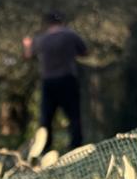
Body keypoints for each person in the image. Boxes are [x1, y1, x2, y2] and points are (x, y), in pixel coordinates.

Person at [23, 11, 88, 150]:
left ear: (47, 24)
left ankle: (45, 148)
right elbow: (84, 52)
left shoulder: (41, 39)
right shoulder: (71, 35)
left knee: (46, 117)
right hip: (68, 79)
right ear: (62, 22)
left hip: (49, 81)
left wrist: (27, 44)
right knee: (74, 115)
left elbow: (28, 55)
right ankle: (76, 146)